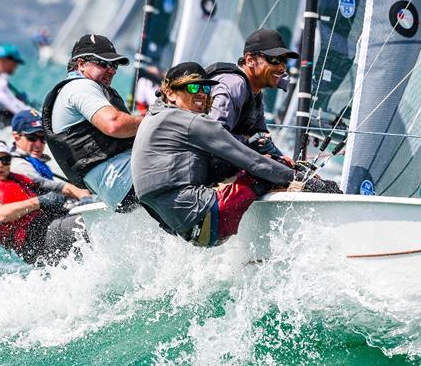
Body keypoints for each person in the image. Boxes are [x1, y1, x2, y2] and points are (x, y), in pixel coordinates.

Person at [132, 62, 329, 248]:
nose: (201, 93)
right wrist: (298, 178)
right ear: (170, 93)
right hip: (210, 220)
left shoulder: (153, 118)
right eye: (192, 88)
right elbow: (253, 162)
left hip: (183, 228)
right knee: (269, 167)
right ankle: (309, 226)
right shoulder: (190, 122)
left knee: (259, 167)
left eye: (206, 89)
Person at [42, 34, 143, 211]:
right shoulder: (80, 87)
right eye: (104, 64)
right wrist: (157, 121)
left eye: (114, 65)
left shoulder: (75, 90)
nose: (112, 70)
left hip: (117, 191)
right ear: (81, 64)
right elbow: (115, 124)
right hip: (126, 180)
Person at [0, 138, 90, 265]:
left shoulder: (21, 179)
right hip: (34, 244)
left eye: (5, 160)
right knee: (89, 224)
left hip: (54, 222)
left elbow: (67, 188)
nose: (0, 164)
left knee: (93, 217)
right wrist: (40, 201)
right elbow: (1, 214)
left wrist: (85, 198)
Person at [206, 28, 298, 163]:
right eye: (274, 60)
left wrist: (282, 159)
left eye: (284, 61)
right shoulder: (234, 86)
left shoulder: (256, 93)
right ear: (250, 60)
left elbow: (261, 137)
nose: (282, 67)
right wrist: (248, 142)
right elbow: (212, 137)